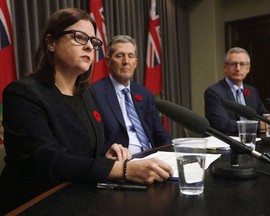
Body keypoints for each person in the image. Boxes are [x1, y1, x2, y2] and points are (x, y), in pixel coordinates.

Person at [0, 8, 173, 214]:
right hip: (34, 203)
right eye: (80, 37)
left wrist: (106, 153)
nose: (90, 46)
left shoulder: (86, 94)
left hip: (81, 196)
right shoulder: (23, 93)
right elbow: (50, 161)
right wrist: (124, 169)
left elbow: (83, 149)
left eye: (93, 41)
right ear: (51, 42)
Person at [91, 35, 172, 154]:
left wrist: (172, 153)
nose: (126, 62)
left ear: (136, 62)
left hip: (152, 156)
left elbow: (160, 133)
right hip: (122, 161)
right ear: (108, 61)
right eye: (120, 56)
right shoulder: (94, 93)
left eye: (130, 56)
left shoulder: (145, 94)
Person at [204, 47, 268, 136]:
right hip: (226, 143)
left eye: (242, 64)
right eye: (233, 64)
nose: (238, 69)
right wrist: (259, 126)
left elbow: (263, 115)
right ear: (225, 68)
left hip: (253, 141)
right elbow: (222, 124)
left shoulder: (251, 91)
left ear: (248, 69)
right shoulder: (214, 92)